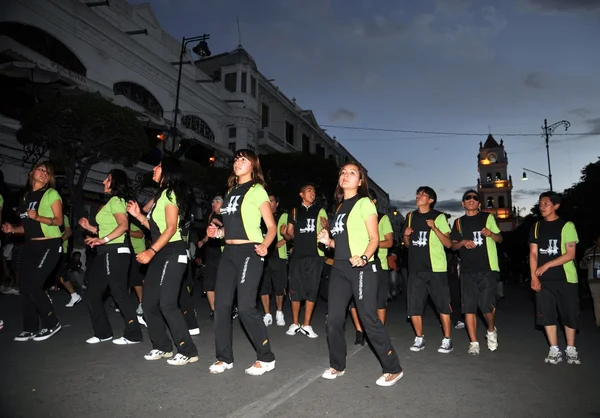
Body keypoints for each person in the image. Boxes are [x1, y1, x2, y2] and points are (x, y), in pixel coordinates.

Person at [317, 162, 403, 387]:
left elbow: (374, 238)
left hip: (363, 267)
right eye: (343, 172)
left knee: (368, 318)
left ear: (360, 180)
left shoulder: (365, 203)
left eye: (352, 173)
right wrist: (328, 241)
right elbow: (342, 242)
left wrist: (363, 257)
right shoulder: (338, 208)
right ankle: (337, 365)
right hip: (340, 267)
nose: (345, 175)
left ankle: (393, 368)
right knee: (334, 319)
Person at [206, 149, 276, 376]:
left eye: (244, 159)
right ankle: (224, 358)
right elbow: (232, 227)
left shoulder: (257, 191)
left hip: (250, 250)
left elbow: (271, 226)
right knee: (222, 307)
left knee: (246, 307)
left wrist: (265, 244)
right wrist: (218, 234)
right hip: (229, 252)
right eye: (236, 158)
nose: (238, 162)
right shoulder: (230, 192)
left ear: (253, 166)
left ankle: (266, 358)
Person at [127, 157, 199, 365]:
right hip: (161, 252)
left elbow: (171, 229)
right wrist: (139, 216)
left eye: (157, 166)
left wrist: (150, 250)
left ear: (168, 171)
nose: (153, 168)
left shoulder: (171, 193)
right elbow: (156, 229)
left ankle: (188, 350)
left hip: (173, 251)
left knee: (167, 303)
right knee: (148, 303)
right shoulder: (161, 195)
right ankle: (162, 346)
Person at [79, 169, 143, 346]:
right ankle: (103, 333)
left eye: (107, 180)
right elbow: (108, 229)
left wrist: (103, 239)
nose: (103, 182)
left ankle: (134, 334)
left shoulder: (116, 200)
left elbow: (123, 226)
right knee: (92, 292)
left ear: (115, 183)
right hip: (106, 251)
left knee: (118, 292)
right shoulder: (112, 202)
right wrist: (91, 229)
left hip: (115, 251)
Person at [2, 162, 63, 342]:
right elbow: (27, 227)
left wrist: (38, 217)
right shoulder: (25, 197)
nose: (45, 173)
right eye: (41, 169)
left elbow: (59, 221)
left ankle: (52, 323)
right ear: (32, 173)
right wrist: (13, 229)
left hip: (50, 245)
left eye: (48, 172)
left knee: (35, 285)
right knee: (24, 288)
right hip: (30, 246)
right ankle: (29, 328)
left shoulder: (51, 194)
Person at [529, 191, 580, 365]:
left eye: (546, 203)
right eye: (540, 204)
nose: (542, 206)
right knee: (547, 315)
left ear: (556, 206)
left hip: (565, 278)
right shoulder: (536, 227)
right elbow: (533, 254)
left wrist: (547, 265)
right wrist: (533, 276)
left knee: (569, 314)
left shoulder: (567, 225)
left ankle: (571, 349)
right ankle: (554, 349)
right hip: (544, 281)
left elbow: (570, 254)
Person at [402, 186, 453, 353]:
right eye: (418, 193)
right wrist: (406, 236)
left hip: (435, 268)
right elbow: (408, 245)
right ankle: (419, 338)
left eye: (423, 194)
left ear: (430, 200)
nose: (419, 196)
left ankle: (447, 339)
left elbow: (449, 243)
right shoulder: (410, 217)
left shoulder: (438, 217)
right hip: (415, 269)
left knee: (442, 305)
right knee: (414, 305)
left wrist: (435, 228)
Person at [450, 190, 502, 355]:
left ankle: (491, 330)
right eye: (468, 198)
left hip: (487, 268)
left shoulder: (488, 218)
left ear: (479, 203)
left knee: (486, 306)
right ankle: (473, 342)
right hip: (467, 270)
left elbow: (500, 239)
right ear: (463, 203)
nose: (471, 200)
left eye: (475, 198)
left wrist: (491, 234)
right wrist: (463, 242)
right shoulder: (458, 222)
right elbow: (452, 245)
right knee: (469, 308)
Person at [349, 189, 394, 345]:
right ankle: (359, 331)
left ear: (373, 202)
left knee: (379, 300)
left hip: (377, 264)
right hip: (355, 264)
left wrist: (371, 245)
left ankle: (378, 333)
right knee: (354, 301)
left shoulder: (382, 219)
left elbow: (389, 242)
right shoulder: (355, 218)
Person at [283, 183, 327, 338]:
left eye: (314, 191)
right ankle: (295, 323)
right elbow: (290, 235)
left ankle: (307, 324)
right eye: (309, 190)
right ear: (301, 194)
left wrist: (327, 228)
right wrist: (285, 234)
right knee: (295, 289)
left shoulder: (320, 210)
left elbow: (326, 232)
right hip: (298, 257)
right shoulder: (294, 212)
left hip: (315, 256)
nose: (313, 193)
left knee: (312, 289)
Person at [259, 193, 288, 327]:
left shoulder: (284, 216)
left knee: (279, 287)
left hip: (278, 257)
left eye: (271, 201)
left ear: (277, 204)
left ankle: (279, 313)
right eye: (267, 201)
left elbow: (292, 234)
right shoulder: (260, 216)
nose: (269, 203)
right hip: (262, 256)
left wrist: (284, 239)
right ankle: (267, 314)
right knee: (264, 287)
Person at [197, 196, 224, 319]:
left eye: (217, 201)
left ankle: (228, 307)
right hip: (210, 253)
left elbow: (231, 230)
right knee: (208, 282)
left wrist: (221, 224)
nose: (214, 203)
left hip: (222, 253)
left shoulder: (227, 215)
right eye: (213, 201)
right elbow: (209, 233)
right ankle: (214, 311)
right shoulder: (210, 216)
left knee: (222, 283)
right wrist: (203, 241)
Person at [580, 233, 600, 327]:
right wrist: (585, 261)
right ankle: (598, 322)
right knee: (597, 300)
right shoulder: (590, 251)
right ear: (595, 241)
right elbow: (582, 266)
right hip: (593, 279)